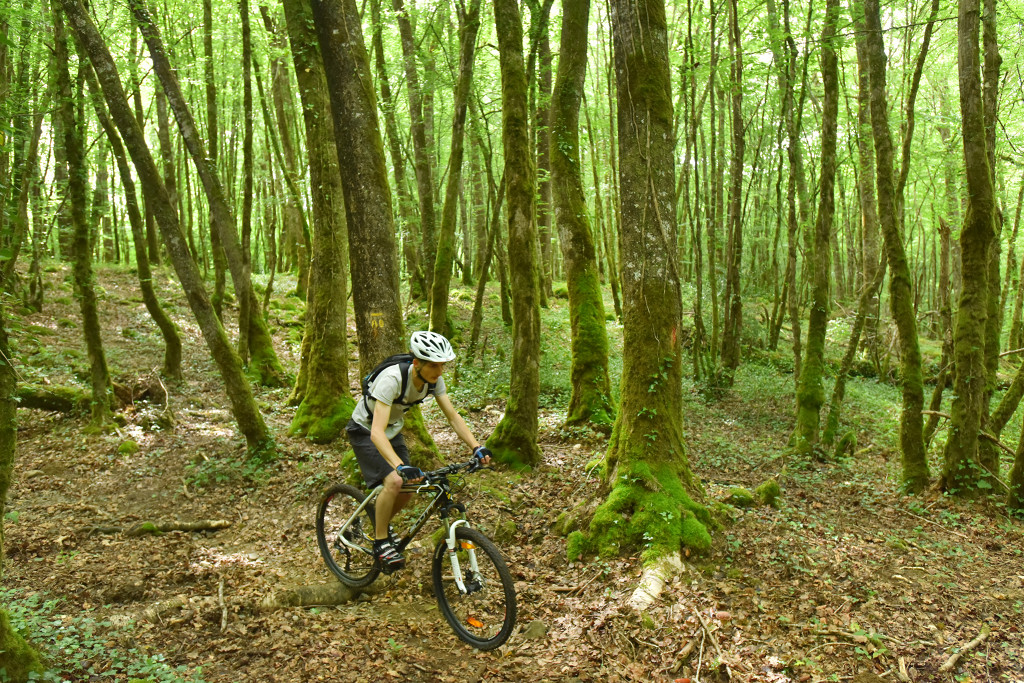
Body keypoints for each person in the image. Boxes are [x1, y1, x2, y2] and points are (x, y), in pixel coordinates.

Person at [345, 330, 492, 572]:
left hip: (392, 430)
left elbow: (453, 417)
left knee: (410, 486)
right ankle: (380, 542)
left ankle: (378, 523)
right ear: (417, 363)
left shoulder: (434, 381)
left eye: (442, 365)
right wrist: (399, 466)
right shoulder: (392, 380)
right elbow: (376, 433)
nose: (439, 371)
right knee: (395, 480)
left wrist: (476, 446)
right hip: (365, 430)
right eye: (434, 365)